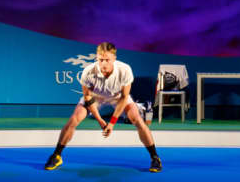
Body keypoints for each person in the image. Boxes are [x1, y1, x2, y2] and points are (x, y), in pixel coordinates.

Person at [45, 42, 161, 172]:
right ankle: (56, 155)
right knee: (74, 119)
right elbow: (88, 97)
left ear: (114, 59)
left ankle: (155, 158)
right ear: (97, 58)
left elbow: (124, 97)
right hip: (95, 97)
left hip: (118, 97)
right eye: (101, 60)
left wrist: (111, 123)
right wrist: (100, 121)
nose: (104, 63)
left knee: (138, 120)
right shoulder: (88, 72)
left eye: (107, 60)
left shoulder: (125, 70)